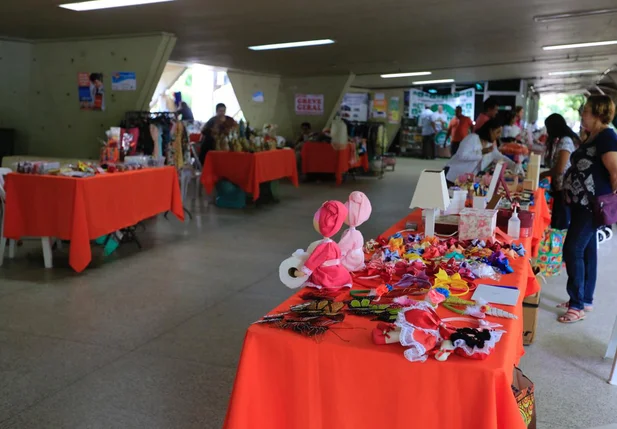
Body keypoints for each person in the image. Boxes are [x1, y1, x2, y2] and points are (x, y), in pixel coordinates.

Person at [559, 95, 617, 323]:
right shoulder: (593, 136)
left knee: (572, 249)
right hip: (581, 203)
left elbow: (615, 171)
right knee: (587, 250)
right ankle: (585, 299)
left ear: (598, 113)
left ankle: (576, 305)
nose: (582, 114)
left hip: (591, 206)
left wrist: (611, 201)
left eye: (586, 111)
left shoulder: (607, 136)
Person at [540, 113, 579, 229]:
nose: (547, 132)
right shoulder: (562, 140)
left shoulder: (565, 141)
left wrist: (543, 174)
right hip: (559, 187)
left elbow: (560, 168)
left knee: (561, 221)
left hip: (564, 187)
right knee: (558, 218)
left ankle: (558, 244)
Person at [445, 118, 507, 184]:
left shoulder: (489, 144)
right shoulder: (472, 138)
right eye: (497, 132)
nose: (499, 136)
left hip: (464, 180)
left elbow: (498, 156)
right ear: (490, 131)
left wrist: (514, 165)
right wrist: (481, 152)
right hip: (452, 176)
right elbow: (462, 155)